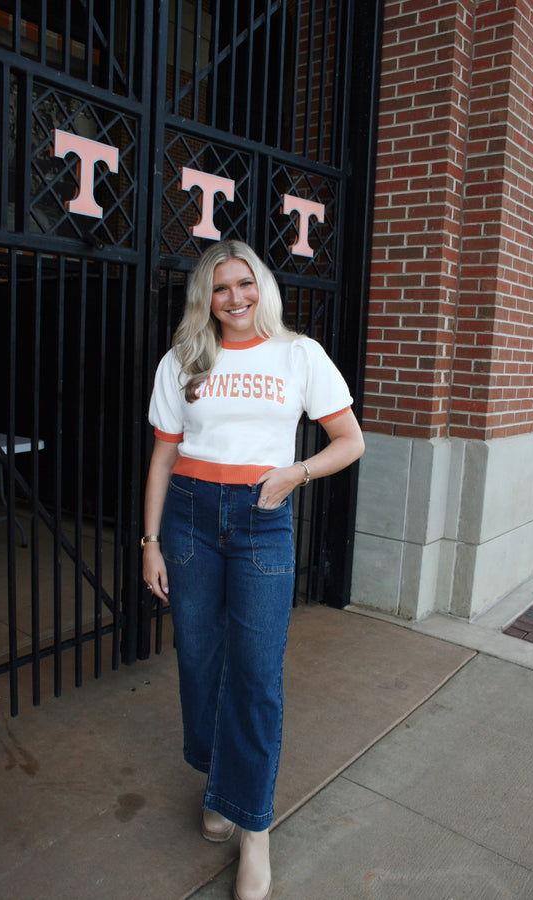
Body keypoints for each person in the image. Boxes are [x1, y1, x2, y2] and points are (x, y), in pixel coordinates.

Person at [142, 240, 364, 900]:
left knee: (258, 671)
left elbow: (349, 440)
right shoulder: (184, 357)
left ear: (261, 286)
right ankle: (219, 781)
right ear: (203, 298)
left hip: (263, 516)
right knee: (200, 658)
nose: (234, 299)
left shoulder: (299, 355)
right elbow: (161, 458)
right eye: (219, 288)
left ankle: (254, 830)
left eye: (245, 284)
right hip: (187, 517)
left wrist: (296, 473)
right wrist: (148, 541)